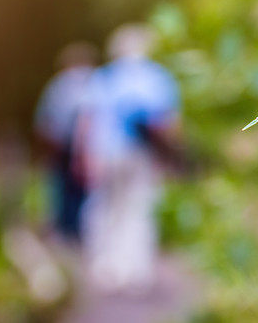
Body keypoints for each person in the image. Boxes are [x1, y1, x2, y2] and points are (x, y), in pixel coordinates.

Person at [78, 24, 183, 293]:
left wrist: (84, 156)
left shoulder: (104, 78)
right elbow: (168, 123)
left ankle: (106, 269)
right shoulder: (157, 77)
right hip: (141, 155)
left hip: (106, 152)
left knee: (105, 208)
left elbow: (87, 120)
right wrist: (170, 158)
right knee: (138, 209)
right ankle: (136, 270)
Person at [34, 42, 98, 243]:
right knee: (86, 190)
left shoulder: (58, 84)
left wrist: (46, 147)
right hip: (91, 146)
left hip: (62, 145)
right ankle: (81, 232)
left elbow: (45, 120)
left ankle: (64, 232)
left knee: (61, 188)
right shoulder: (98, 81)